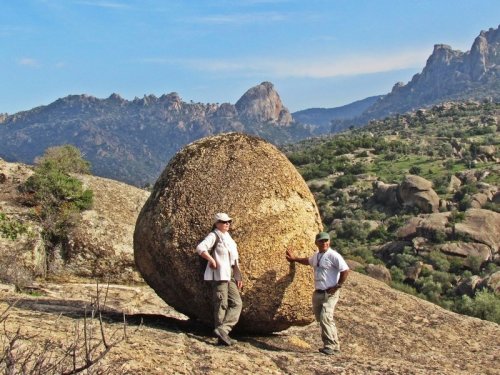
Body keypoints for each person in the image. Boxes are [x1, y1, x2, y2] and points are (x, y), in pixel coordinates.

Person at [285, 231, 349, 355]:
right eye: (321, 241)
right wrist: (294, 259)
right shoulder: (317, 256)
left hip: (330, 292)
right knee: (322, 319)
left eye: (326, 241)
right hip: (318, 292)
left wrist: (338, 286)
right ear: (316, 243)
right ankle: (334, 345)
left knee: (326, 317)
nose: (324, 243)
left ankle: (330, 346)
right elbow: (308, 261)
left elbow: (345, 270)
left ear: (329, 242)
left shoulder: (333, 255)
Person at [196, 212, 243, 346]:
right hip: (219, 275)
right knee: (221, 305)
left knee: (237, 303)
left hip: (230, 276)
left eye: (229, 221)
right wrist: (211, 259)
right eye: (224, 222)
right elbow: (200, 248)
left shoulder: (228, 237)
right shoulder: (214, 235)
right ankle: (222, 337)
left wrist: (238, 276)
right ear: (216, 223)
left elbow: (234, 259)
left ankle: (223, 330)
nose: (227, 224)